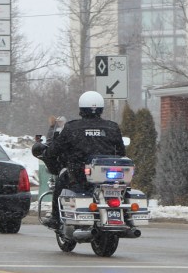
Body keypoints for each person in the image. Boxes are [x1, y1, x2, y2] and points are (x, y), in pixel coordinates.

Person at [39, 91, 126, 229]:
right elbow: (121, 152)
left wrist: (46, 152)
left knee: (61, 182)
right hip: (108, 176)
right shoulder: (112, 127)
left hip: (79, 175)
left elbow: (55, 149)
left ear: (81, 108)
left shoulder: (72, 127)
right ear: (101, 108)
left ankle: (56, 218)